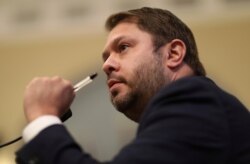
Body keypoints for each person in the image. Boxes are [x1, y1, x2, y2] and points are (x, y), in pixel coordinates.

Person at [16, 7, 250, 164]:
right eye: (105, 57)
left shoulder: (192, 97)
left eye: (123, 47)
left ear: (174, 53)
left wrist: (42, 119)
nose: (107, 65)